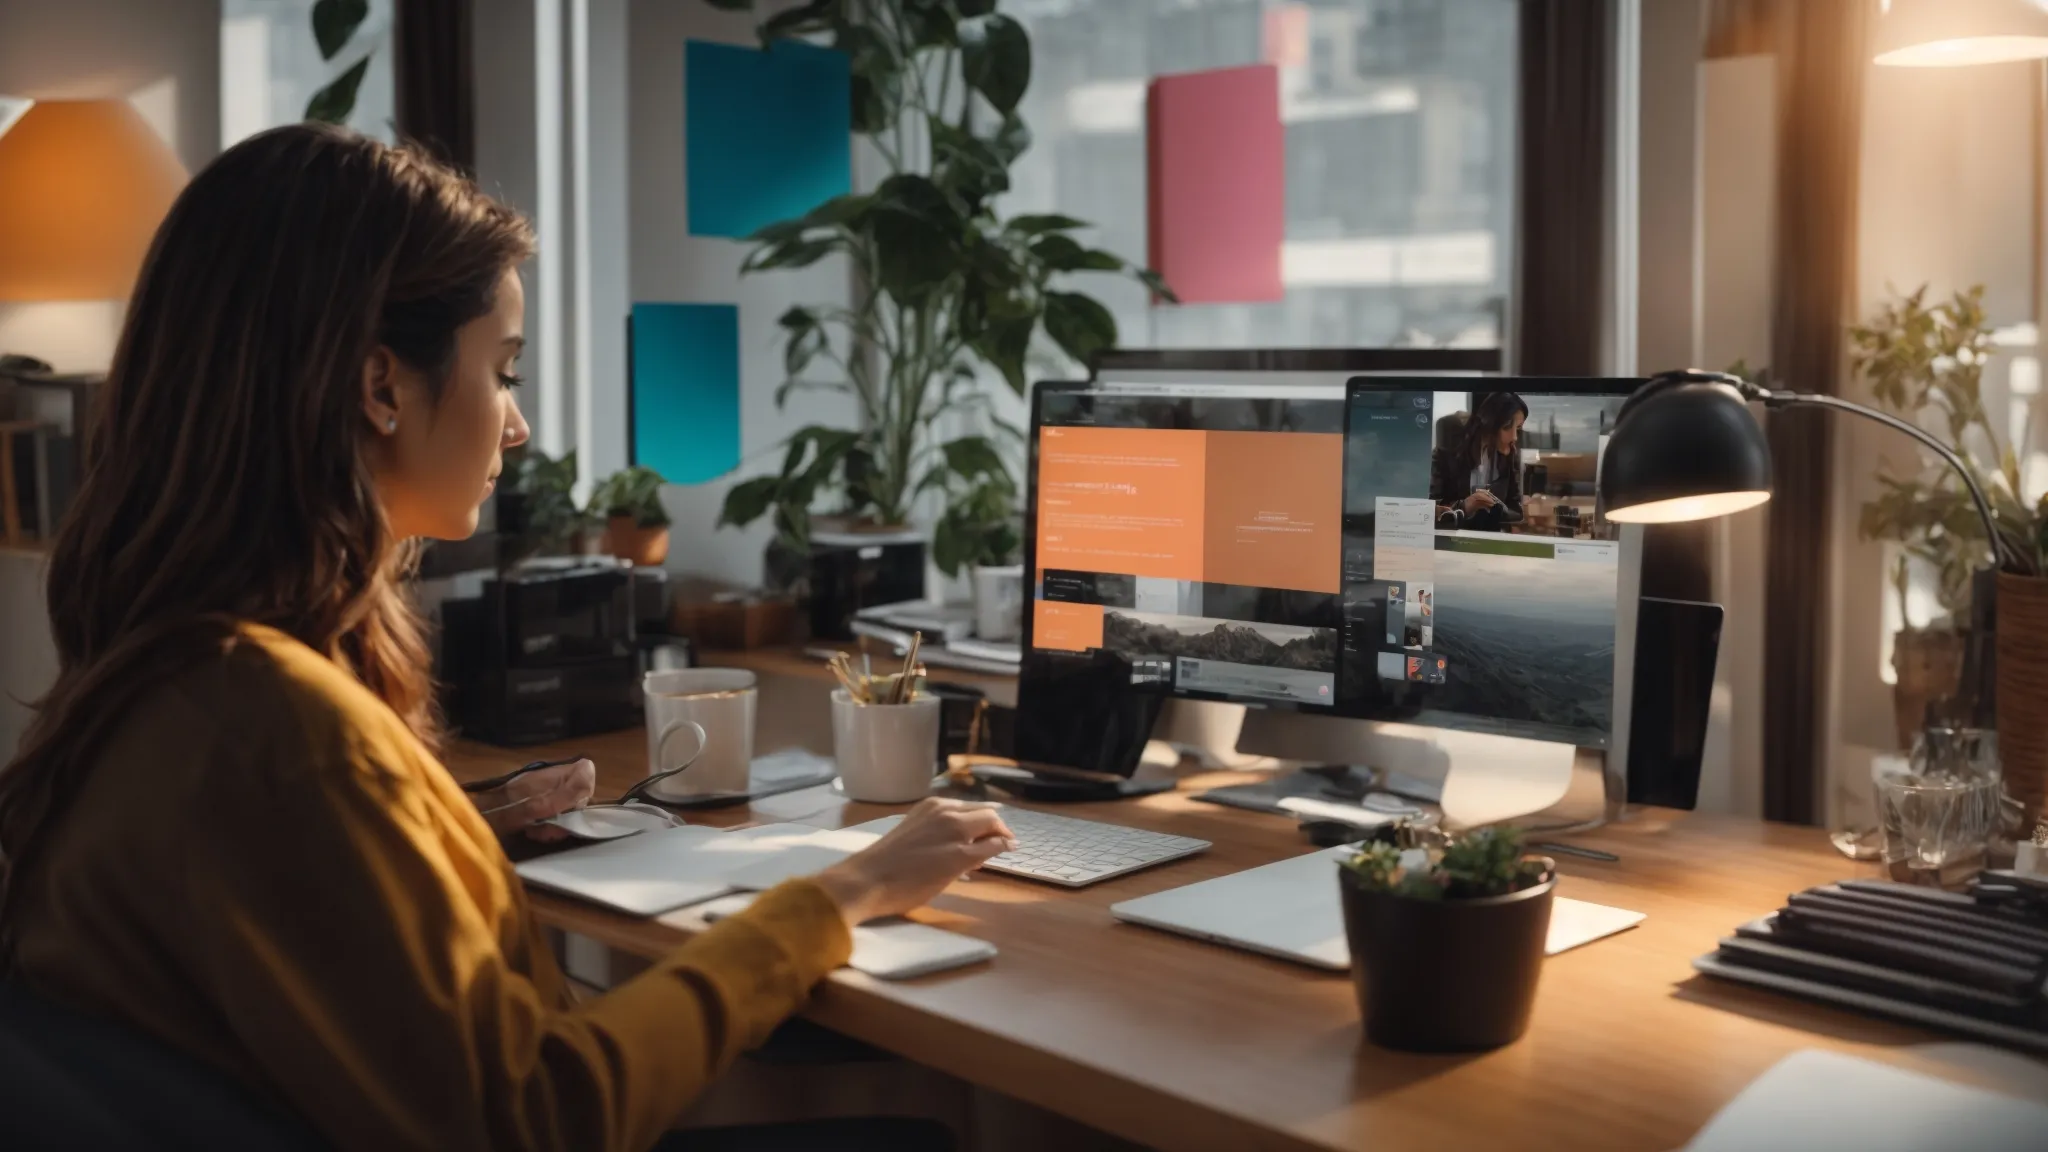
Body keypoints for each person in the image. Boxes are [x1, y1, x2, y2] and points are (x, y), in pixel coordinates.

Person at [0, 124, 1013, 1151]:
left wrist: (443, 839)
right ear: (381, 385)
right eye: (506, 370)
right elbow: (536, 1119)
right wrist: (841, 893)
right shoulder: (283, 728)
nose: (517, 427)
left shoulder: (169, 675)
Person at [1430, 391, 1528, 531]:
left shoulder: (1510, 457)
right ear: (1488, 424)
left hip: (1492, 543)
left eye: (1518, 428)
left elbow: (1516, 513)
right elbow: (1429, 511)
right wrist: (1465, 507)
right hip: (1453, 540)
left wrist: (1498, 509)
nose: (1515, 437)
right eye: (1507, 427)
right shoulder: (1444, 455)